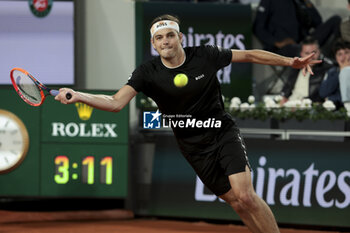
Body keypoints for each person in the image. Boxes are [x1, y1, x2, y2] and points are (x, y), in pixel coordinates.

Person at [55, 14, 320, 233]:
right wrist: (79, 96)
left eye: (170, 35)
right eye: (159, 38)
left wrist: (290, 62)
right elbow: (115, 102)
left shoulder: (206, 55)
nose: (165, 41)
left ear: (180, 37)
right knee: (236, 204)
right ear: (153, 44)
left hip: (222, 132)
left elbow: (250, 55)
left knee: (246, 196)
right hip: (193, 147)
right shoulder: (147, 73)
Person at [253, 0, 341, 57]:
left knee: (336, 20)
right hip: (283, 46)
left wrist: (307, 6)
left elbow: (318, 23)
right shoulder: (269, 1)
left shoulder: (302, 2)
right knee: (303, 51)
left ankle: (336, 56)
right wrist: (277, 43)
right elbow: (258, 28)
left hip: (306, 42)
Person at [280, 37, 331, 104]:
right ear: (301, 54)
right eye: (307, 53)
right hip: (291, 104)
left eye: (313, 52)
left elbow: (322, 96)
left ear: (319, 51)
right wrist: (283, 98)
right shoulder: (296, 66)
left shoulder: (327, 68)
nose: (310, 56)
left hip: (310, 106)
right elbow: (287, 88)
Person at [319, 39, 350, 109]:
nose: (344, 57)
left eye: (346, 52)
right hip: (336, 110)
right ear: (336, 58)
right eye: (340, 54)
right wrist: (341, 72)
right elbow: (323, 93)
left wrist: (331, 98)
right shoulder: (332, 72)